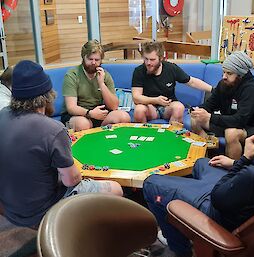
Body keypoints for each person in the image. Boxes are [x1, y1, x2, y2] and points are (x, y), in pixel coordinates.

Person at [143, 103, 254, 257]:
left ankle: (180, 249)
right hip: (242, 201)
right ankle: (184, 226)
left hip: (220, 213)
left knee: (152, 183)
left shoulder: (253, 176)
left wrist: (244, 159)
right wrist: (235, 164)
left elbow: (217, 197)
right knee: (202, 163)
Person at [0, 60, 123, 228]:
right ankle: (93, 236)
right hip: (42, 214)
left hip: (10, 209)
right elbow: (71, 181)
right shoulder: (53, 129)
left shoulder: (2, 115)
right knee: (116, 189)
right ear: (47, 95)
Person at [190, 51, 254, 160]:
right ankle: (207, 155)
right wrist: (199, 111)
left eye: (229, 73)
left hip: (252, 127)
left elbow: (240, 120)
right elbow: (210, 104)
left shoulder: (251, 90)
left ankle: (232, 169)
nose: (224, 77)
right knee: (195, 119)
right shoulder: (224, 84)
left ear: (240, 74)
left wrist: (210, 117)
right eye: (223, 72)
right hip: (229, 122)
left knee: (231, 133)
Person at [131, 41, 212, 123]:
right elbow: (136, 97)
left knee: (179, 107)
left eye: (152, 60)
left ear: (161, 58)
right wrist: (156, 100)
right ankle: (144, 134)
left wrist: (213, 89)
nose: (148, 63)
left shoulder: (171, 68)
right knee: (139, 110)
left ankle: (173, 134)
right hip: (149, 107)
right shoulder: (139, 71)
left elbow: (192, 82)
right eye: (146, 59)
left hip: (168, 107)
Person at [61, 40, 131, 131]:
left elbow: (114, 106)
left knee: (124, 117)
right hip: (79, 115)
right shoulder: (72, 75)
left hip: (100, 114)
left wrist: (102, 84)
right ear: (83, 57)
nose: (93, 63)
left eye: (97, 60)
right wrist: (90, 113)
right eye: (90, 59)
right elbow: (71, 107)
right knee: (83, 124)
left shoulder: (105, 75)